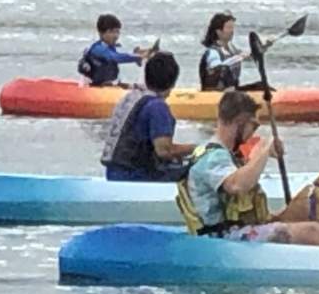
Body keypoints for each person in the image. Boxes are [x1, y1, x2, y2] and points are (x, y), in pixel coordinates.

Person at [176, 91, 319, 246]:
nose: (254, 132)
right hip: (220, 239)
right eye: (254, 125)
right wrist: (263, 150)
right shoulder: (212, 156)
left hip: (236, 231)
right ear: (239, 122)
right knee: (312, 230)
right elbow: (237, 185)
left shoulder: (225, 154)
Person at [100, 51, 197, 181]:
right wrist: (197, 148)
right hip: (136, 177)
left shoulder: (130, 97)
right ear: (173, 83)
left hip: (113, 173)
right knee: (198, 168)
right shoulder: (157, 107)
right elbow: (164, 151)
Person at [77, 14, 151, 87]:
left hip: (107, 85)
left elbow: (127, 54)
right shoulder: (98, 49)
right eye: (111, 32)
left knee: (138, 87)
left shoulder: (112, 47)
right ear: (101, 33)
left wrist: (142, 53)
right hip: (91, 87)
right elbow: (116, 58)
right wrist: (139, 56)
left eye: (117, 32)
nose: (116, 36)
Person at [199, 11, 250, 91]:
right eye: (229, 28)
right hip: (215, 92)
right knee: (224, 68)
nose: (232, 31)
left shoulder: (232, 49)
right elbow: (218, 67)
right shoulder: (212, 52)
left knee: (260, 85)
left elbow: (250, 56)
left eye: (232, 28)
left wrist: (263, 46)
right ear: (219, 31)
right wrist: (239, 58)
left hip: (232, 91)